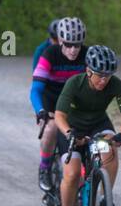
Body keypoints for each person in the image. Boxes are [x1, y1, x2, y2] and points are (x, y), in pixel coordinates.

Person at [54, 45, 121, 206]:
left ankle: (106, 198)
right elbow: (59, 116)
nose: (104, 80)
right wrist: (70, 133)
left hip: (98, 123)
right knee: (71, 175)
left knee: (109, 148)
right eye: (99, 75)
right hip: (71, 128)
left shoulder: (116, 84)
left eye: (108, 76)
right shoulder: (74, 83)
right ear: (88, 71)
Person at [31, 17, 87, 191]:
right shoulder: (48, 54)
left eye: (77, 45)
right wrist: (40, 110)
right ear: (60, 41)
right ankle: (45, 167)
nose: (72, 49)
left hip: (73, 101)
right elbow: (36, 89)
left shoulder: (87, 55)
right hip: (51, 100)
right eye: (68, 44)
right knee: (52, 128)